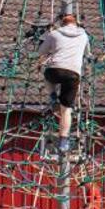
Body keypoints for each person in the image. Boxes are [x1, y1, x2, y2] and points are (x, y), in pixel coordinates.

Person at [40, 10, 90, 145]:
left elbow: (41, 51)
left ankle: (52, 96)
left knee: (46, 74)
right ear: (76, 23)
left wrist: (50, 41)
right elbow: (88, 53)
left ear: (62, 23)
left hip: (55, 69)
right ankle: (64, 140)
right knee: (66, 110)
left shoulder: (54, 33)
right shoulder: (84, 35)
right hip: (73, 73)